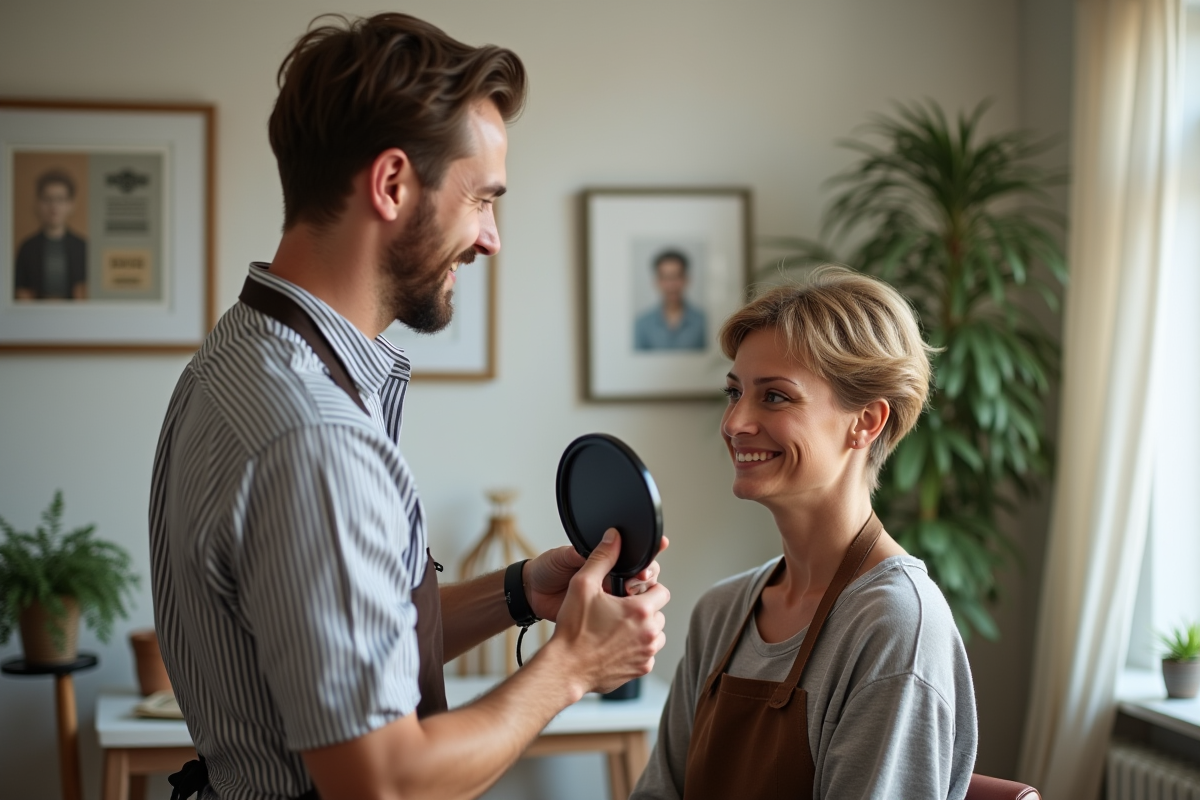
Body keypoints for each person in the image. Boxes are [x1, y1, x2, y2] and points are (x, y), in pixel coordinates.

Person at [149, 14, 669, 800]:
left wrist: (520, 593)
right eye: (483, 200)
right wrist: (572, 667)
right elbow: (383, 780)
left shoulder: (232, 359)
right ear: (392, 184)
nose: (492, 238)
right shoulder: (315, 438)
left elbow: (341, 641)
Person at [632, 266, 977, 800]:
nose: (735, 422)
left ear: (866, 422)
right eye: (734, 392)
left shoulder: (896, 627)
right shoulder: (721, 613)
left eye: (774, 397)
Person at [14, 169, 88, 300]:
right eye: (47, 199)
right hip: (36, 317)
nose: (54, 206)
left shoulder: (83, 247)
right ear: (38, 203)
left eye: (60, 199)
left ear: (71, 204)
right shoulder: (27, 248)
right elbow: (21, 292)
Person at [634, 249, 706, 350]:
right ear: (656, 282)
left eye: (676, 276)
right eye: (666, 277)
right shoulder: (641, 324)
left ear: (687, 279)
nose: (672, 285)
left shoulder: (703, 322)